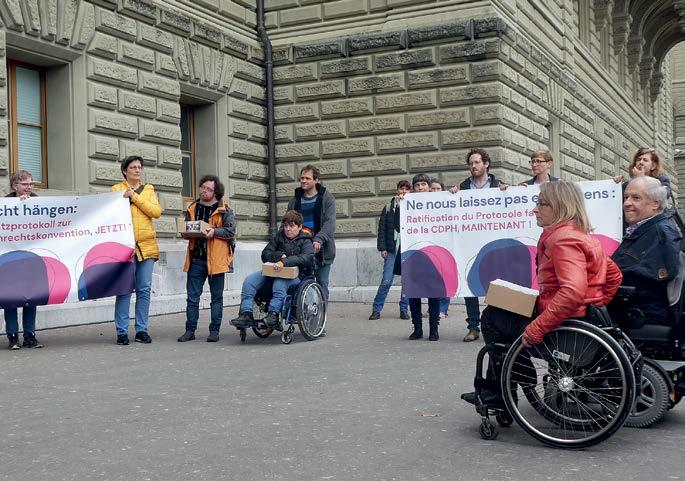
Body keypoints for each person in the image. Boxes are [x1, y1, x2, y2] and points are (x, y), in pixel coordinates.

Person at [462, 181, 623, 404]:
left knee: (491, 318)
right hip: (576, 317)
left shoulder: (563, 240)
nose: (534, 209)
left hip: (564, 326)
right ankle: (509, 379)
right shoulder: (581, 234)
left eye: (541, 204)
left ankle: (507, 385)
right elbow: (614, 276)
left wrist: (537, 328)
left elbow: (572, 291)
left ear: (560, 206)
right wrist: (594, 304)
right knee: (498, 310)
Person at [450, 148, 506, 342]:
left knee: (497, 286)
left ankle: (497, 326)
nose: (473, 166)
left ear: (486, 164)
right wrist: (451, 195)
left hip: (493, 244)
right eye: (471, 163)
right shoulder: (463, 188)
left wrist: (509, 192)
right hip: (469, 244)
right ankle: (473, 327)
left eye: (477, 162)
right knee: (469, 284)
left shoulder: (499, 186)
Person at [611, 176, 681, 323]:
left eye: (636, 198)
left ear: (655, 203)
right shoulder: (643, 229)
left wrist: (605, 274)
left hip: (640, 317)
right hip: (631, 312)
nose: (627, 203)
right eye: (626, 197)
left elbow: (649, 278)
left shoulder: (661, 233)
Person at [230, 210, 314, 328]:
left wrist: (285, 261)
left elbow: (306, 258)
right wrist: (279, 256)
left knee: (279, 283)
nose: (288, 229)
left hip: (296, 275)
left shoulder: (306, 241)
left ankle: (273, 315)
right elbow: (265, 254)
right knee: (249, 281)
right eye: (286, 226)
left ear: (300, 227)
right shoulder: (279, 237)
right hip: (274, 271)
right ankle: (246, 314)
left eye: (291, 226)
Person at [111, 155, 163, 345]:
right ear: (125, 171)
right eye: (133, 167)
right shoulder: (116, 190)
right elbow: (111, 214)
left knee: (144, 289)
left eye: (139, 167)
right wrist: (123, 198)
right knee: (124, 289)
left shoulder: (148, 189)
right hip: (125, 247)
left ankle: (142, 330)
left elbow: (155, 212)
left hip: (146, 245)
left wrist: (134, 197)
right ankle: (122, 331)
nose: (137, 170)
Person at [177, 175, 236, 343]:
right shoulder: (193, 207)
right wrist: (186, 232)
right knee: (192, 297)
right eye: (202, 187)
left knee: (216, 298)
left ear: (216, 192)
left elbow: (230, 231)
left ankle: (214, 331)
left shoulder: (224, 209)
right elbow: (186, 229)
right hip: (196, 258)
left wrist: (214, 232)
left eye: (208, 189)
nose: (204, 191)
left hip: (217, 260)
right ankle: (190, 330)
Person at [3, 171, 42, 350]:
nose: (29, 187)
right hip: (10, 258)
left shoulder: (39, 202)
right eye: (25, 184)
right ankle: (12, 337)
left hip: (30, 258)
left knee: (31, 297)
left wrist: (30, 205)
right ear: (14, 186)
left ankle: (30, 336)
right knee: (10, 298)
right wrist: (17, 206)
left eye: (31, 184)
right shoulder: (4, 203)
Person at [287, 165, 336, 300]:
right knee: (298, 284)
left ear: (316, 180)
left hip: (321, 249)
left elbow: (330, 223)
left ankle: (321, 311)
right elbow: (287, 223)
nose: (304, 181)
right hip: (300, 248)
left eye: (307, 178)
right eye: (302, 178)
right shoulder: (295, 200)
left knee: (321, 283)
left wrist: (319, 239)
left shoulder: (327, 198)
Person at [369, 180, 411, 321]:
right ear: (397, 190)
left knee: (407, 282)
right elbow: (382, 229)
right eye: (401, 188)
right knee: (386, 280)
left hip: (407, 249)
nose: (404, 191)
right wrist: (382, 248)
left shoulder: (413, 207)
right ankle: (376, 309)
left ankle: (404, 309)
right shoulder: (388, 208)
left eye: (407, 189)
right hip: (392, 249)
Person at [407, 173, 442, 341]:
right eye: (417, 185)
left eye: (423, 184)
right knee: (413, 293)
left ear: (429, 187)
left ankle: (434, 329)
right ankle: (417, 328)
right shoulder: (407, 204)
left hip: (434, 254)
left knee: (433, 293)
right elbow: (399, 227)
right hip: (414, 255)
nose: (420, 188)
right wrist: (400, 207)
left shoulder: (439, 203)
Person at [429, 178, 450, 318]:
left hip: (446, 247)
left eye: (438, 188)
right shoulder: (423, 204)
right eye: (432, 189)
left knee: (445, 278)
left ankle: (443, 309)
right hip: (431, 247)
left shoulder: (447, 204)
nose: (435, 191)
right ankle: (433, 308)